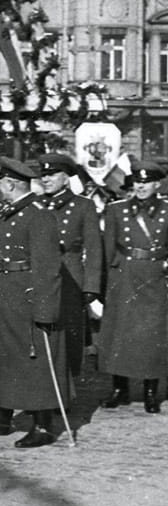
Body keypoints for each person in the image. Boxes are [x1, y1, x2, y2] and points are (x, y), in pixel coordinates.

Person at [0, 158, 63, 447]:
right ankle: (2, 416)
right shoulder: (8, 213)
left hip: (27, 297)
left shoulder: (38, 214)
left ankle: (43, 426)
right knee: (5, 356)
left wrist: (45, 309)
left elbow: (48, 267)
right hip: (6, 296)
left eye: (1, 184)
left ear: (11, 184)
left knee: (34, 360)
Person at [98, 161, 168, 413]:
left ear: (156, 184)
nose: (140, 186)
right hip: (124, 277)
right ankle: (120, 389)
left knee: (153, 336)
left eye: (146, 182)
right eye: (137, 182)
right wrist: (107, 283)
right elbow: (108, 249)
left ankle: (151, 391)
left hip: (155, 277)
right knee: (119, 334)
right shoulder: (117, 210)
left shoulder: (167, 210)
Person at [37, 153, 102, 378]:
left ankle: (67, 388)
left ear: (66, 178)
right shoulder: (36, 205)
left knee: (70, 334)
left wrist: (91, 286)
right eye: (43, 174)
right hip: (40, 276)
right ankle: (44, 387)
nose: (46, 179)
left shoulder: (83, 206)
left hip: (71, 277)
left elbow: (94, 249)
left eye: (52, 174)